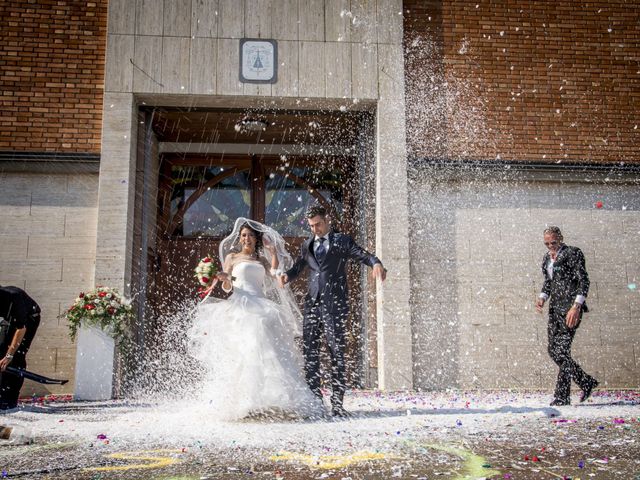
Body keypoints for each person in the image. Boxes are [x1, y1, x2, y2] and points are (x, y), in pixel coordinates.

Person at [188, 218, 323, 420]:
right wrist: (223, 278)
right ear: (240, 238)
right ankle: (242, 402)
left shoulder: (261, 259)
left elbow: (275, 275)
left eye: (250, 235)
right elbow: (227, 286)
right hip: (240, 305)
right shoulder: (232, 257)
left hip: (261, 304)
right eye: (243, 235)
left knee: (268, 351)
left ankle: (271, 400)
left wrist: (273, 253)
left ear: (256, 238)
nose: (247, 238)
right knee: (244, 351)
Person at [279, 205, 386, 417]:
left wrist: (376, 263)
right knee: (310, 354)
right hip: (312, 305)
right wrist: (287, 276)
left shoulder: (341, 241)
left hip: (334, 305)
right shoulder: (307, 244)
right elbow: (299, 267)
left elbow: (362, 255)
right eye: (311, 226)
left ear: (327, 220)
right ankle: (315, 402)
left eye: (318, 224)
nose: (315, 229)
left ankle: (337, 404)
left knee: (337, 352)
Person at [535, 226, 598, 406]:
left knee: (561, 351)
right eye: (547, 243)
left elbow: (583, 280)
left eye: (553, 242)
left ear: (561, 238)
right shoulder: (547, 258)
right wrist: (542, 298)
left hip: (570, 310)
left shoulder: (572, 253)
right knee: (553, 350)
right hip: (555, 310)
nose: (550, 247)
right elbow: (549, 282)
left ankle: (562, 396)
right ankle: (586, 382)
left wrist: (576, 306)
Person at [0, 286, 41, 410]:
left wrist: (9, 355)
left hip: (29, 319)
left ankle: (10, 398)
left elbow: (21, 328)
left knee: (16, 355)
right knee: (1, 349)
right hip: (9, 320)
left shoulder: (14, 297)